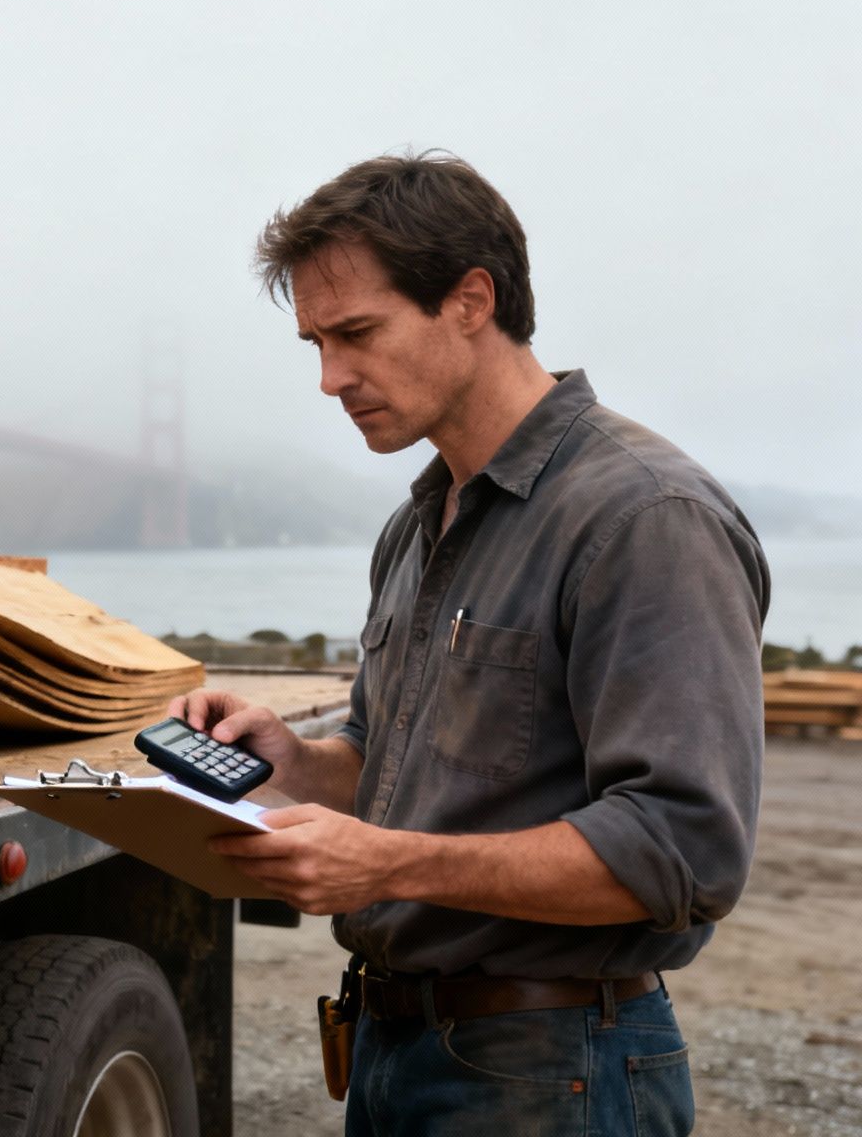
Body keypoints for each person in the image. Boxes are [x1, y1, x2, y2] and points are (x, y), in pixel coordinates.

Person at [171, 151, 768, 1136]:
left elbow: (682, 856)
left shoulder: (642, 518)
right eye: (313, 343)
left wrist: (386, 866)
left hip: (555, 1073)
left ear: (469, 300)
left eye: (354, 333)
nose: (327, 379)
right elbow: (395, 771)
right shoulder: (416, 527)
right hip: (397, 1048)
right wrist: (299, 766)